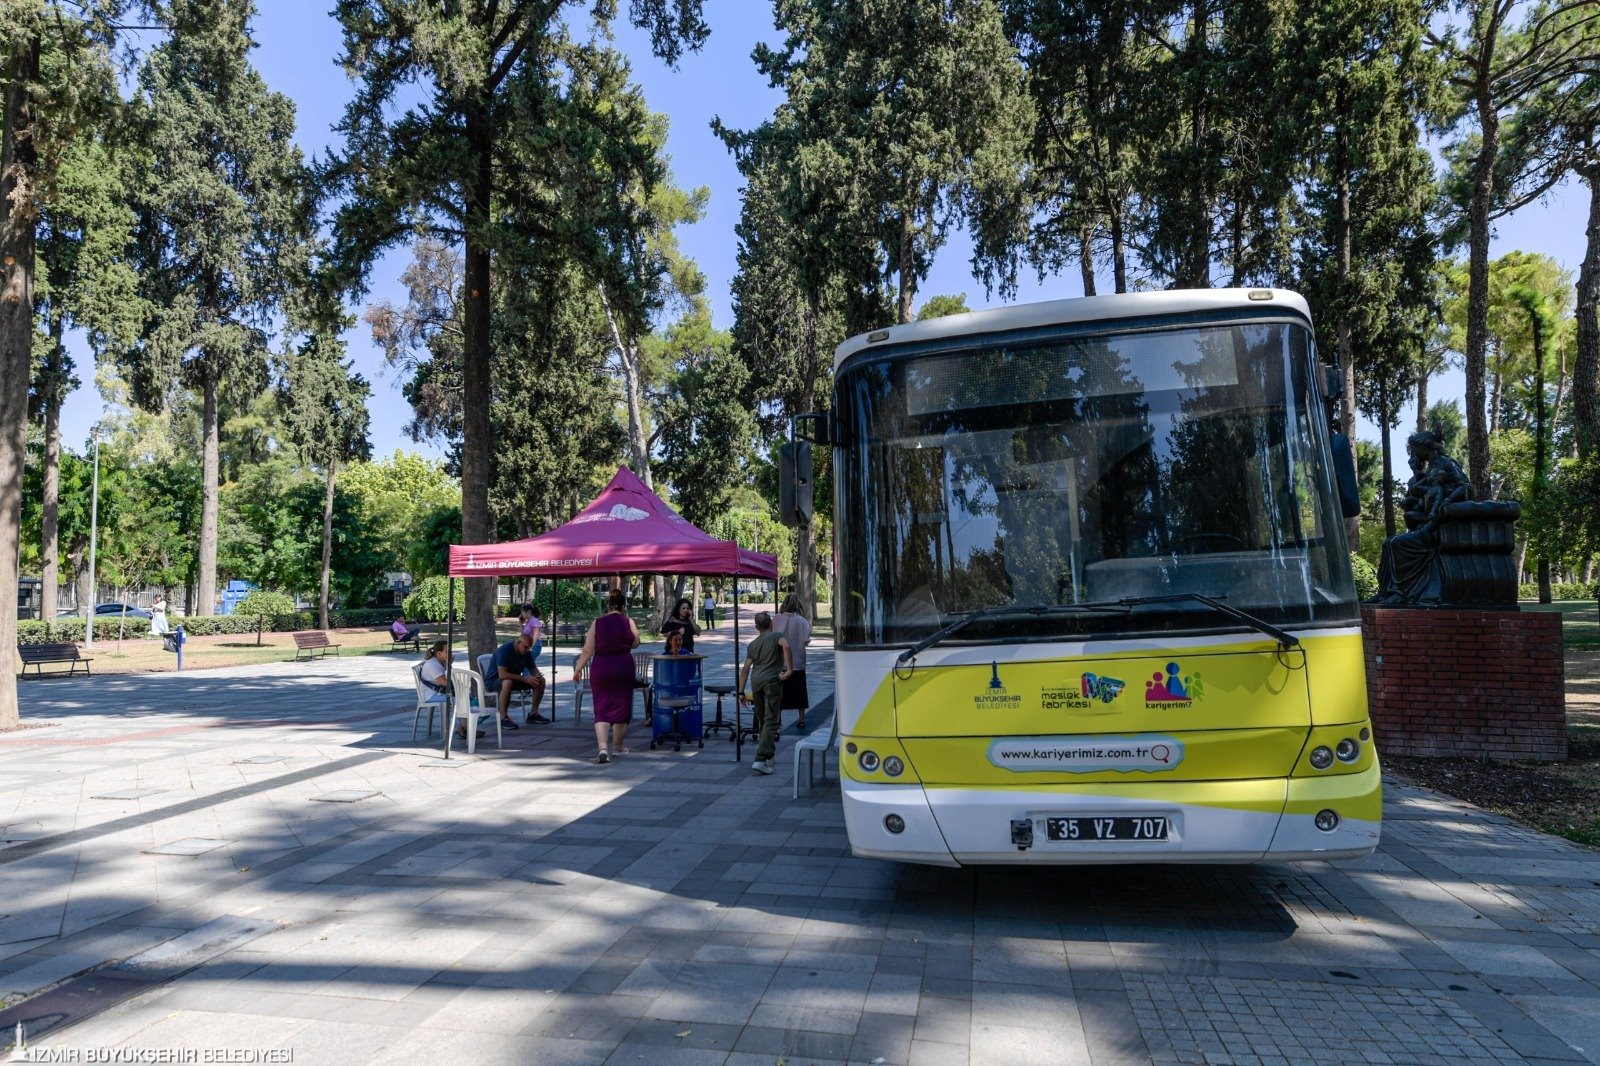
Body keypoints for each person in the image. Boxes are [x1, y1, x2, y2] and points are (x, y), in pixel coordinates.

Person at [573, 589, 640, 764]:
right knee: (622, 705)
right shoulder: (628, 621)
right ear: (624, 607)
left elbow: (588, 649)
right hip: (623, 667)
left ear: (608, 606)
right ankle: (618, 746)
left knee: (601, 707)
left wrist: (578, 669)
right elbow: (635, 643)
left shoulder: (597, 622)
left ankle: (602, 748)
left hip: (602, 667)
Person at [738, 611, 794, 776]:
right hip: (772, 682)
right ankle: (760, 759)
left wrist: (741, 692)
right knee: (771, 721)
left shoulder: (753, 645)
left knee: (763, 721)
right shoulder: (777, 635)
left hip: (756, 683)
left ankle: (769, 756)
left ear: (756, 627)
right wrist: (789, 669)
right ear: (771, 623)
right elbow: (786, 645)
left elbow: (746, 669)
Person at [422, 640, 482, 741]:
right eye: (447, 651)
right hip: (431, 695)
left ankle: (464, 728)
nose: (449, 654)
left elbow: (450, 678)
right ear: (439, 653)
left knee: (464, 698)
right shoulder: (432, 665)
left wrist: (449, 665)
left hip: (440, 692)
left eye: (450, 651)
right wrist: (460, 686)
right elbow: (444, 682)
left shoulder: (442, 662)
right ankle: (466, 729)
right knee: (459, 700)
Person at [773, 593, 813, 731]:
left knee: (780, 692)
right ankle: (801, 719)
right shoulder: (802, 621)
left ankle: (778, 719)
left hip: (781, 661)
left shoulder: (777, 619)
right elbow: (806, 640)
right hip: (798, 661)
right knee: (800, 691)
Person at [485, 634, 544, 728]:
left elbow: (533, 669)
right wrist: (525, 678)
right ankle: (503, 718)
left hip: (513, 680)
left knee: (540, 681)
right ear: (518, 643)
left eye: (529, 648)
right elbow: (502, 674)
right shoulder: (505, 651)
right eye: (525, 647)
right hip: (494, 682)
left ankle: (534, 714)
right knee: (507, 682)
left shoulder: (526, 653)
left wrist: (537, 676)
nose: (527, 650)